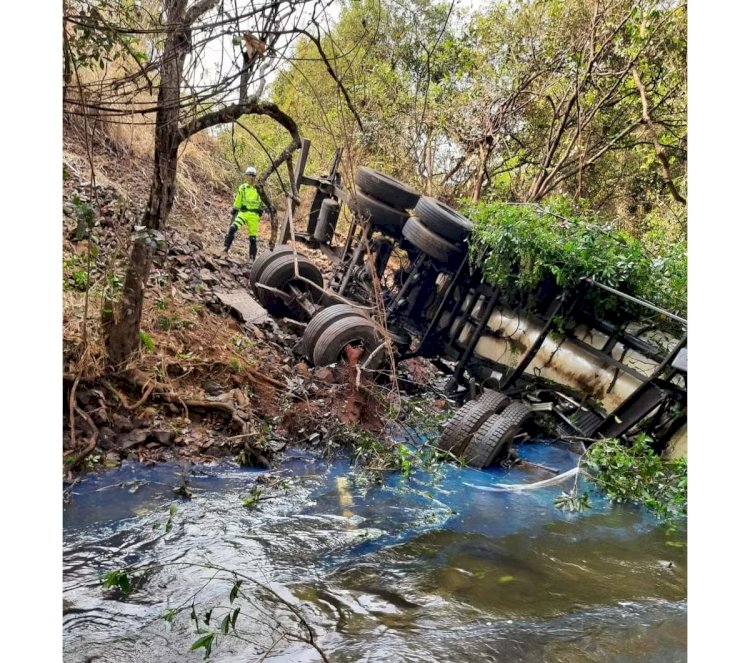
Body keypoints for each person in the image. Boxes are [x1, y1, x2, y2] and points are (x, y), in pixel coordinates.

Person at [223, 166, 271, 263]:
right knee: (232, 228)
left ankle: (252, 259)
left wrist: (267, 210)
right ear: (246, 176)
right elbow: (238, 200)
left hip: (254, 216)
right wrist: (234, 209)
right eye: (249, 175)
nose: (251, 177)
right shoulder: (243, 188)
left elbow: (265, 201)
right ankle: (225, 248)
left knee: (252, 238)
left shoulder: (259, 189)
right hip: (243, 213)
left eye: (253, 176)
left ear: (255, 177)